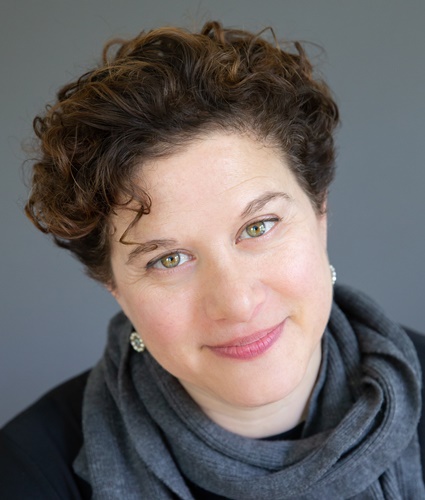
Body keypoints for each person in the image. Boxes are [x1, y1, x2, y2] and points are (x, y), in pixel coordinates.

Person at [1, 20, 424, 499]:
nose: (237, 303)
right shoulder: (27, 473)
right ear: (112, 285)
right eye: (169, 259)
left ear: (320, 212)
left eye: (258, 227)